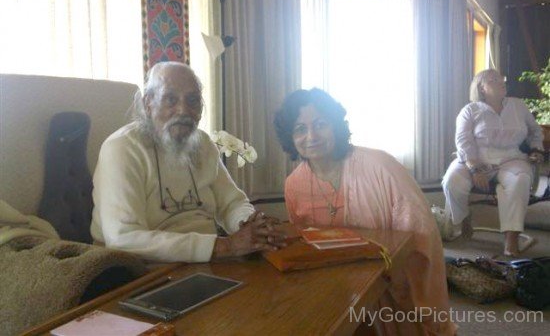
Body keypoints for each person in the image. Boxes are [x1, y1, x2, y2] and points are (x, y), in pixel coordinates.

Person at [274, 88, 455, 336]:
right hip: (336, 287)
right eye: (300, 129)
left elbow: (421, 233)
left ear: (336, 126)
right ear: (290, 138)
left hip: (396, 281)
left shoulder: (381, 166)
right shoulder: (294, 185)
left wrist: (398, 276)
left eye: (321, 124)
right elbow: (306, 244)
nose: (311, 136)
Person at [91, 62, 285, 263]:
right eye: (171, 99)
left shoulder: (202, 143)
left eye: (193, 100)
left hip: (208, 259)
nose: (183, 110)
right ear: (148, 103)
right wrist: (226, 245)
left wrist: (248, 226)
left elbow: (232, 203)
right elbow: (123, 238)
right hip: (141, 269)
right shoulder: (122, 148)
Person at [442, 69, 543, 256]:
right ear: (482, 87)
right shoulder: (470, 110)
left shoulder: (518, 106)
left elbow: (535, 131)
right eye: (493, 80)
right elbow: (463, 141)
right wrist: (474, 168)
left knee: (519, 180)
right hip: (474, 157)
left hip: (511, 158)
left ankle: (511, 240)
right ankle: (464, 220)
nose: (501, 81)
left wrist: (536, 149)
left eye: (501, 78)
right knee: (452, 182)